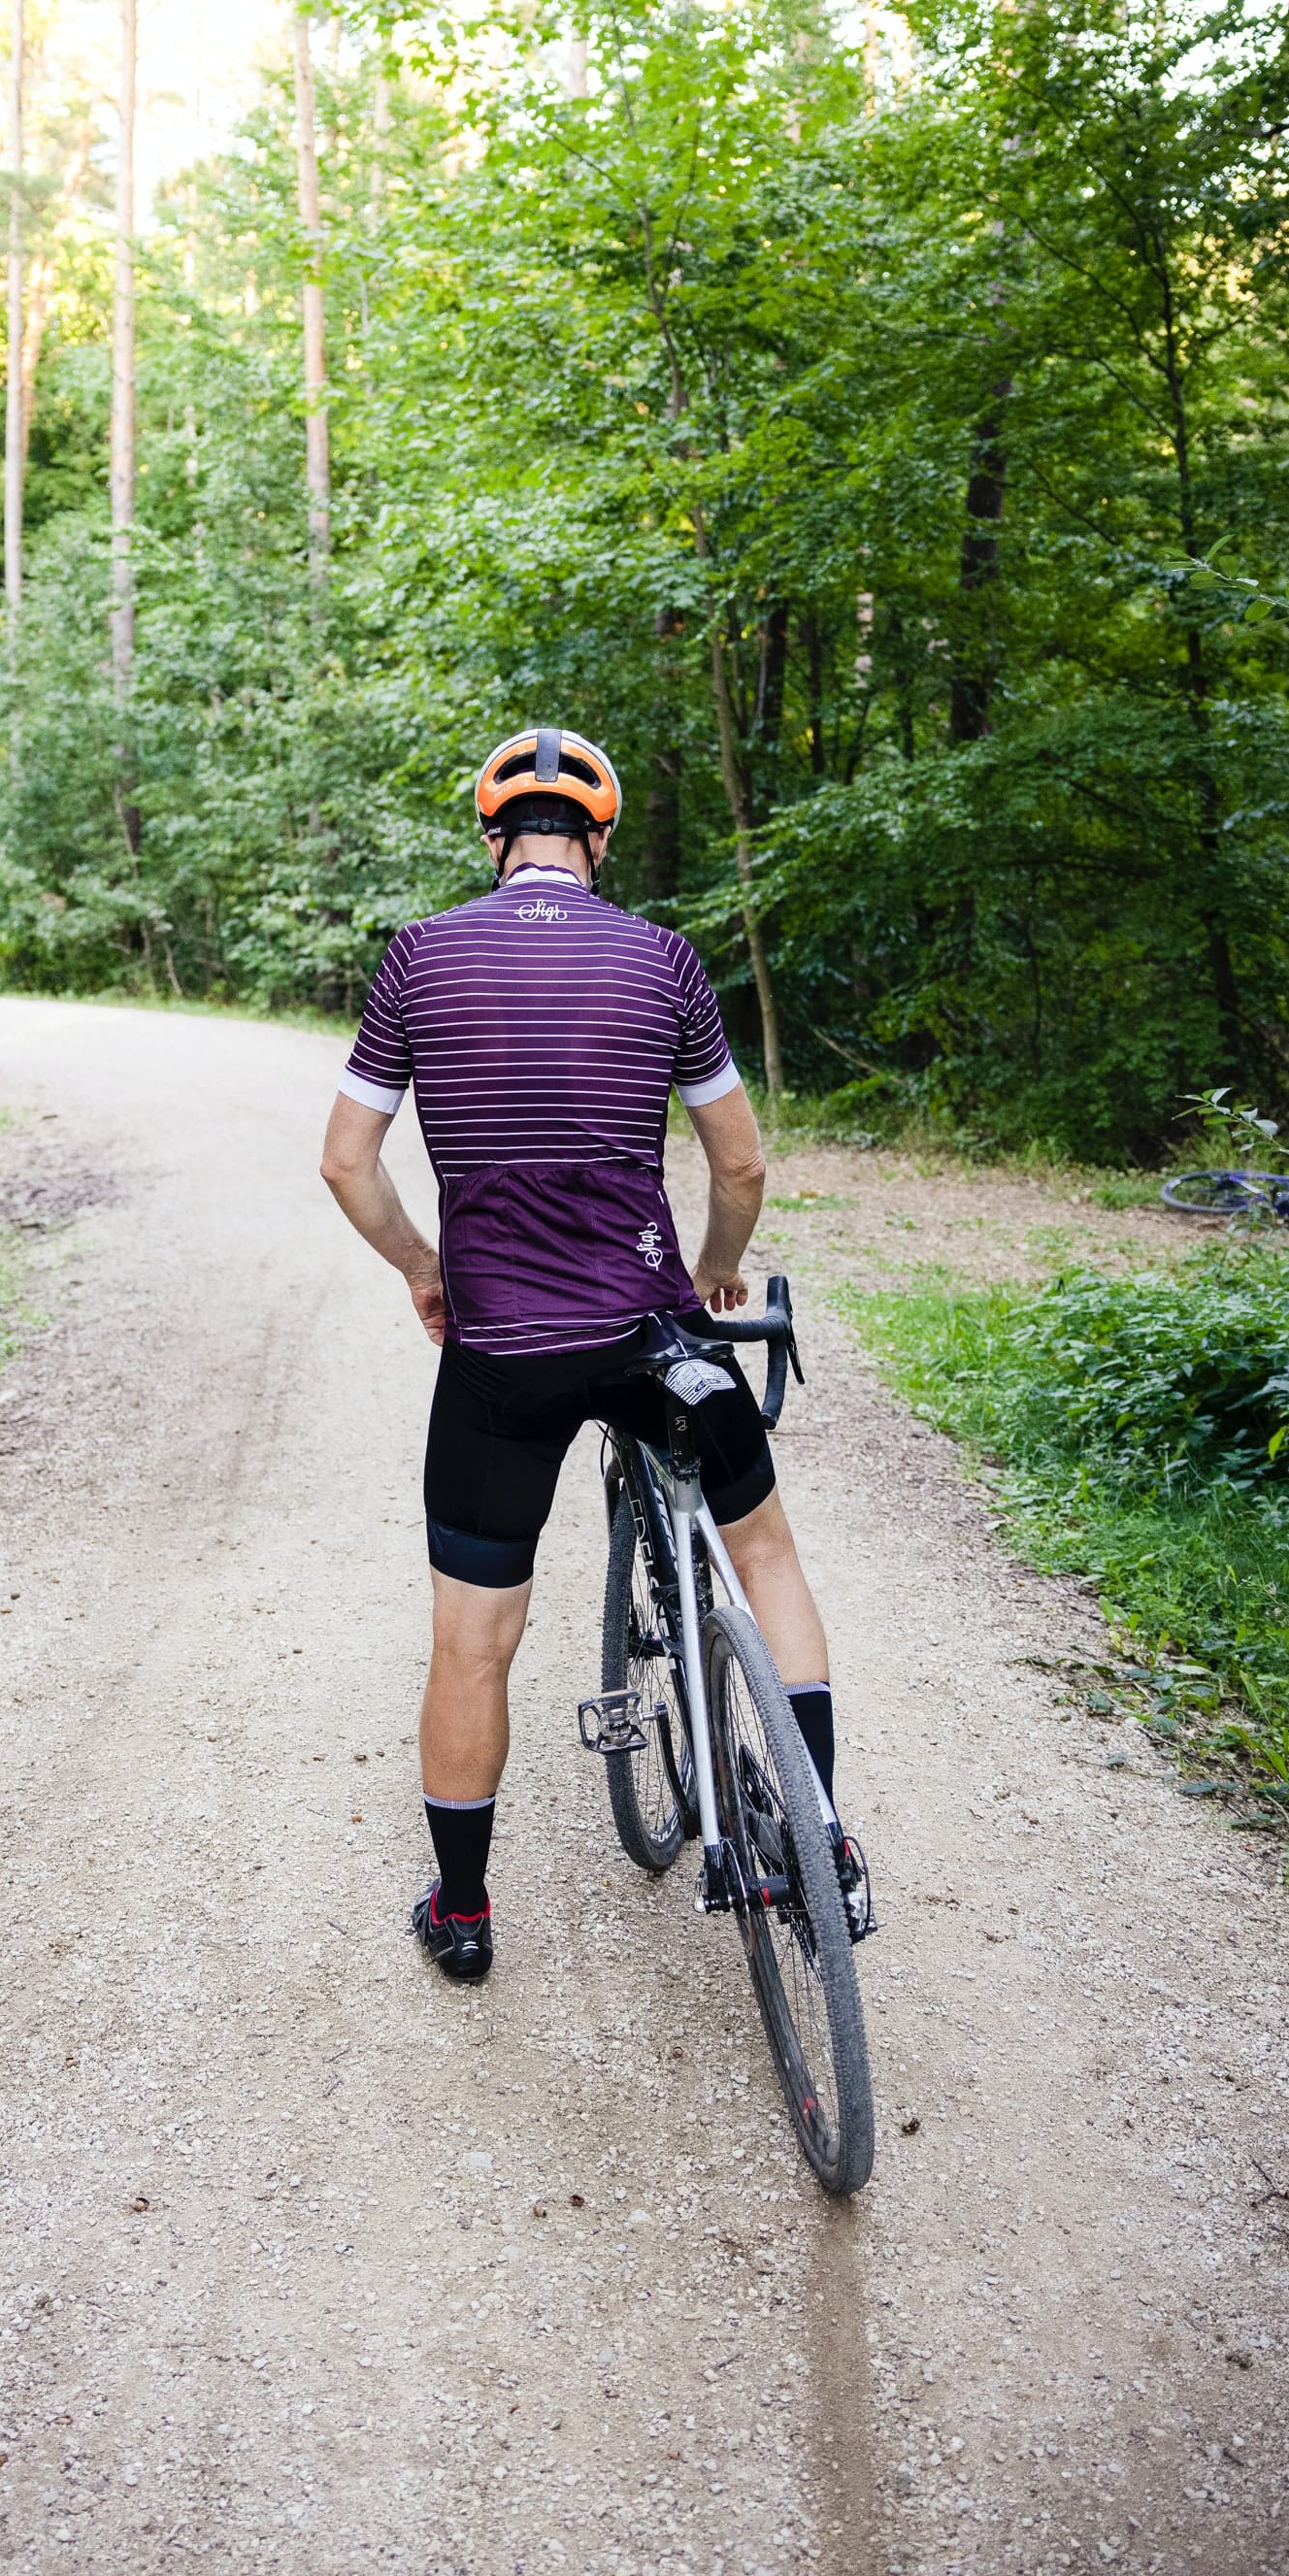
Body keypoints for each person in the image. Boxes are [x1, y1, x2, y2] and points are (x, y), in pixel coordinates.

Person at [319, 722, 868, 1983]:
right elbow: (739, 1160)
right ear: (599, 840)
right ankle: (817, 1841)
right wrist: (720, 1263)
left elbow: (345, 1161)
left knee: (472, 1639)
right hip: (647, 1330)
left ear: (492, 837)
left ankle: (461, 1917)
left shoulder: (417, 959)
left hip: (500, 1350)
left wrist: (423, 1268)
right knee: (764, 1552)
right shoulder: (662, 962)